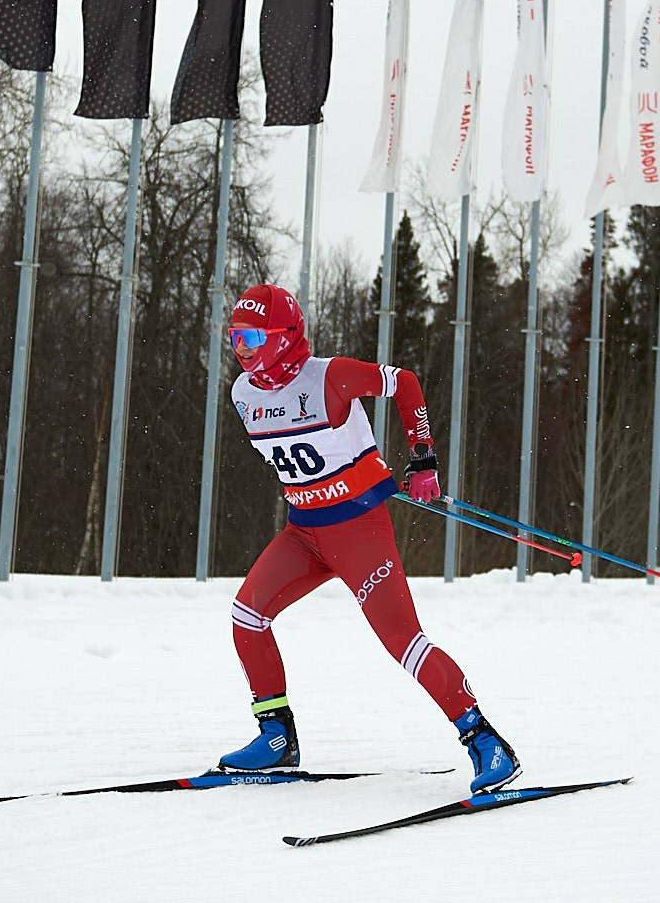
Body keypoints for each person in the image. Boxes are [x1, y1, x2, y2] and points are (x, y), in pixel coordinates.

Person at [218, 282, 522, 793]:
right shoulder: (243, 394)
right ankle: (276, 738)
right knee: (247, 617)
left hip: (359, 530)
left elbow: (404, 382)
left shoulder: (330, 376)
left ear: (283, 337)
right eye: (234, 338)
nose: (241, 350)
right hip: (303, 532)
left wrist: (422, 459)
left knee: (404, 642)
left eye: (251, 337)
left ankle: (485, 741)